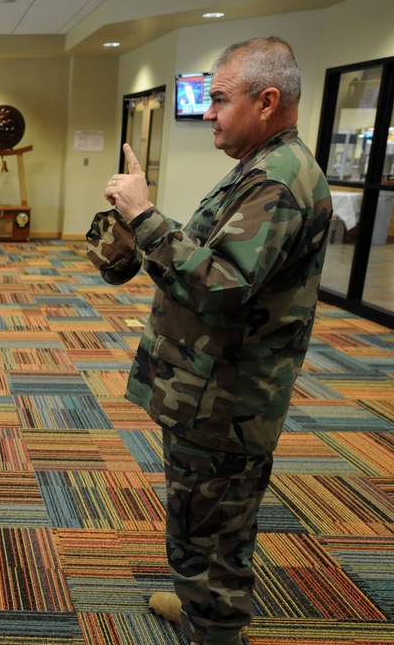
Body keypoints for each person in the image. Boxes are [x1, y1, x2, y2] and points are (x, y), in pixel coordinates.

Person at [101, 37, 332, 645]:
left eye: (220, 100)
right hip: (207, 390)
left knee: (209, 526)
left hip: (227, 400)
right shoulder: (261, 168)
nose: (208, 114)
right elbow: (215, 255)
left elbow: (223, 286)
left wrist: (147, 217)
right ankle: (202, 608)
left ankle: (214, 627)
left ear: (268, 100)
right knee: (205, 518)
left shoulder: (279, 180)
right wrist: (137, 219)